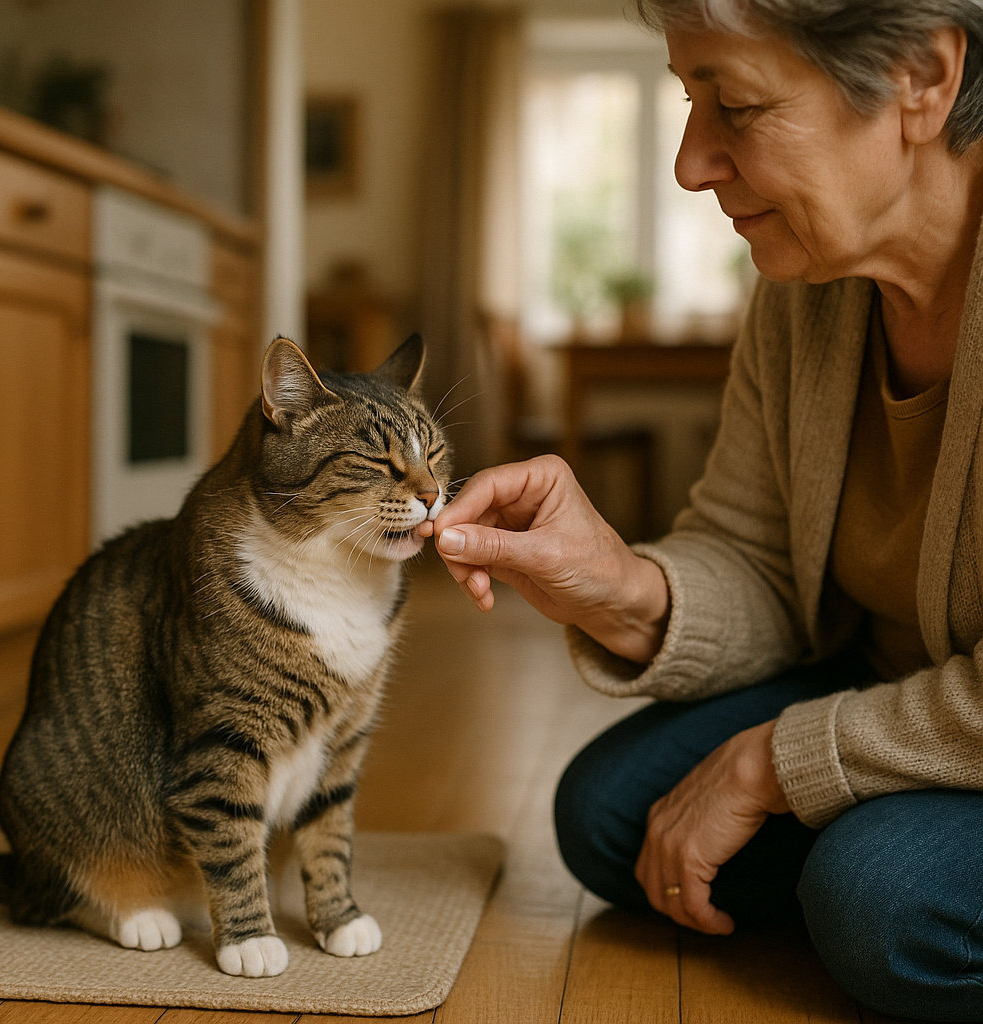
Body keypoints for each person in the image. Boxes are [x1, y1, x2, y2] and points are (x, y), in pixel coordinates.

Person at [418, 1, 983, 1020]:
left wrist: (782, 760)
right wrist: (622, 585)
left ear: (921, 80)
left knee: (881, 896)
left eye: (738, 105)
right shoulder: (805, 290)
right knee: (605, 813)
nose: (688, 163)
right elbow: (757, 560)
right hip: (907, 683)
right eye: (688, 101)